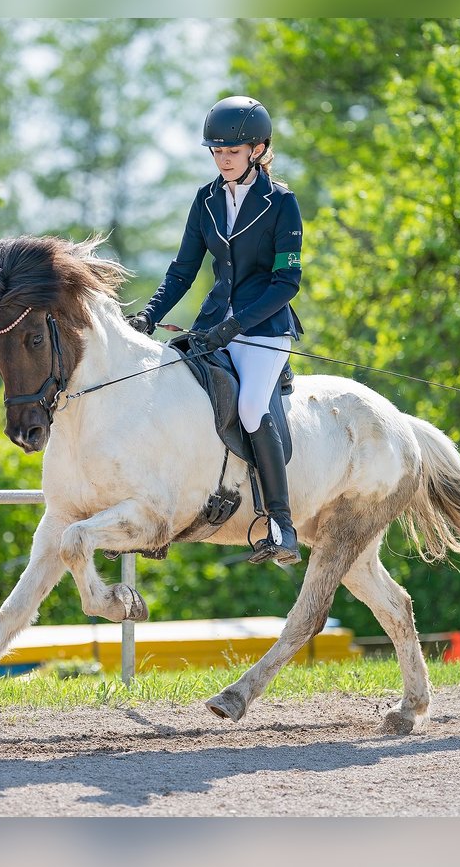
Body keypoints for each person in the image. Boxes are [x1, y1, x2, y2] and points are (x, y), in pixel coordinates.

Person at [127, 95, 305, 566]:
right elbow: (182, 270)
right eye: (216, 151)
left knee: (249, 408)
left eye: (233, 151)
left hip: (263, 330)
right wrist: (149, 314)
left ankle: (281, 524)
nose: (223, 159)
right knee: (172, 393)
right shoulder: (205, 200)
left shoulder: (281, 203)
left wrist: (236, 325)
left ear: (258, 149)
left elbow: (286, 282)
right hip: (212, 326)